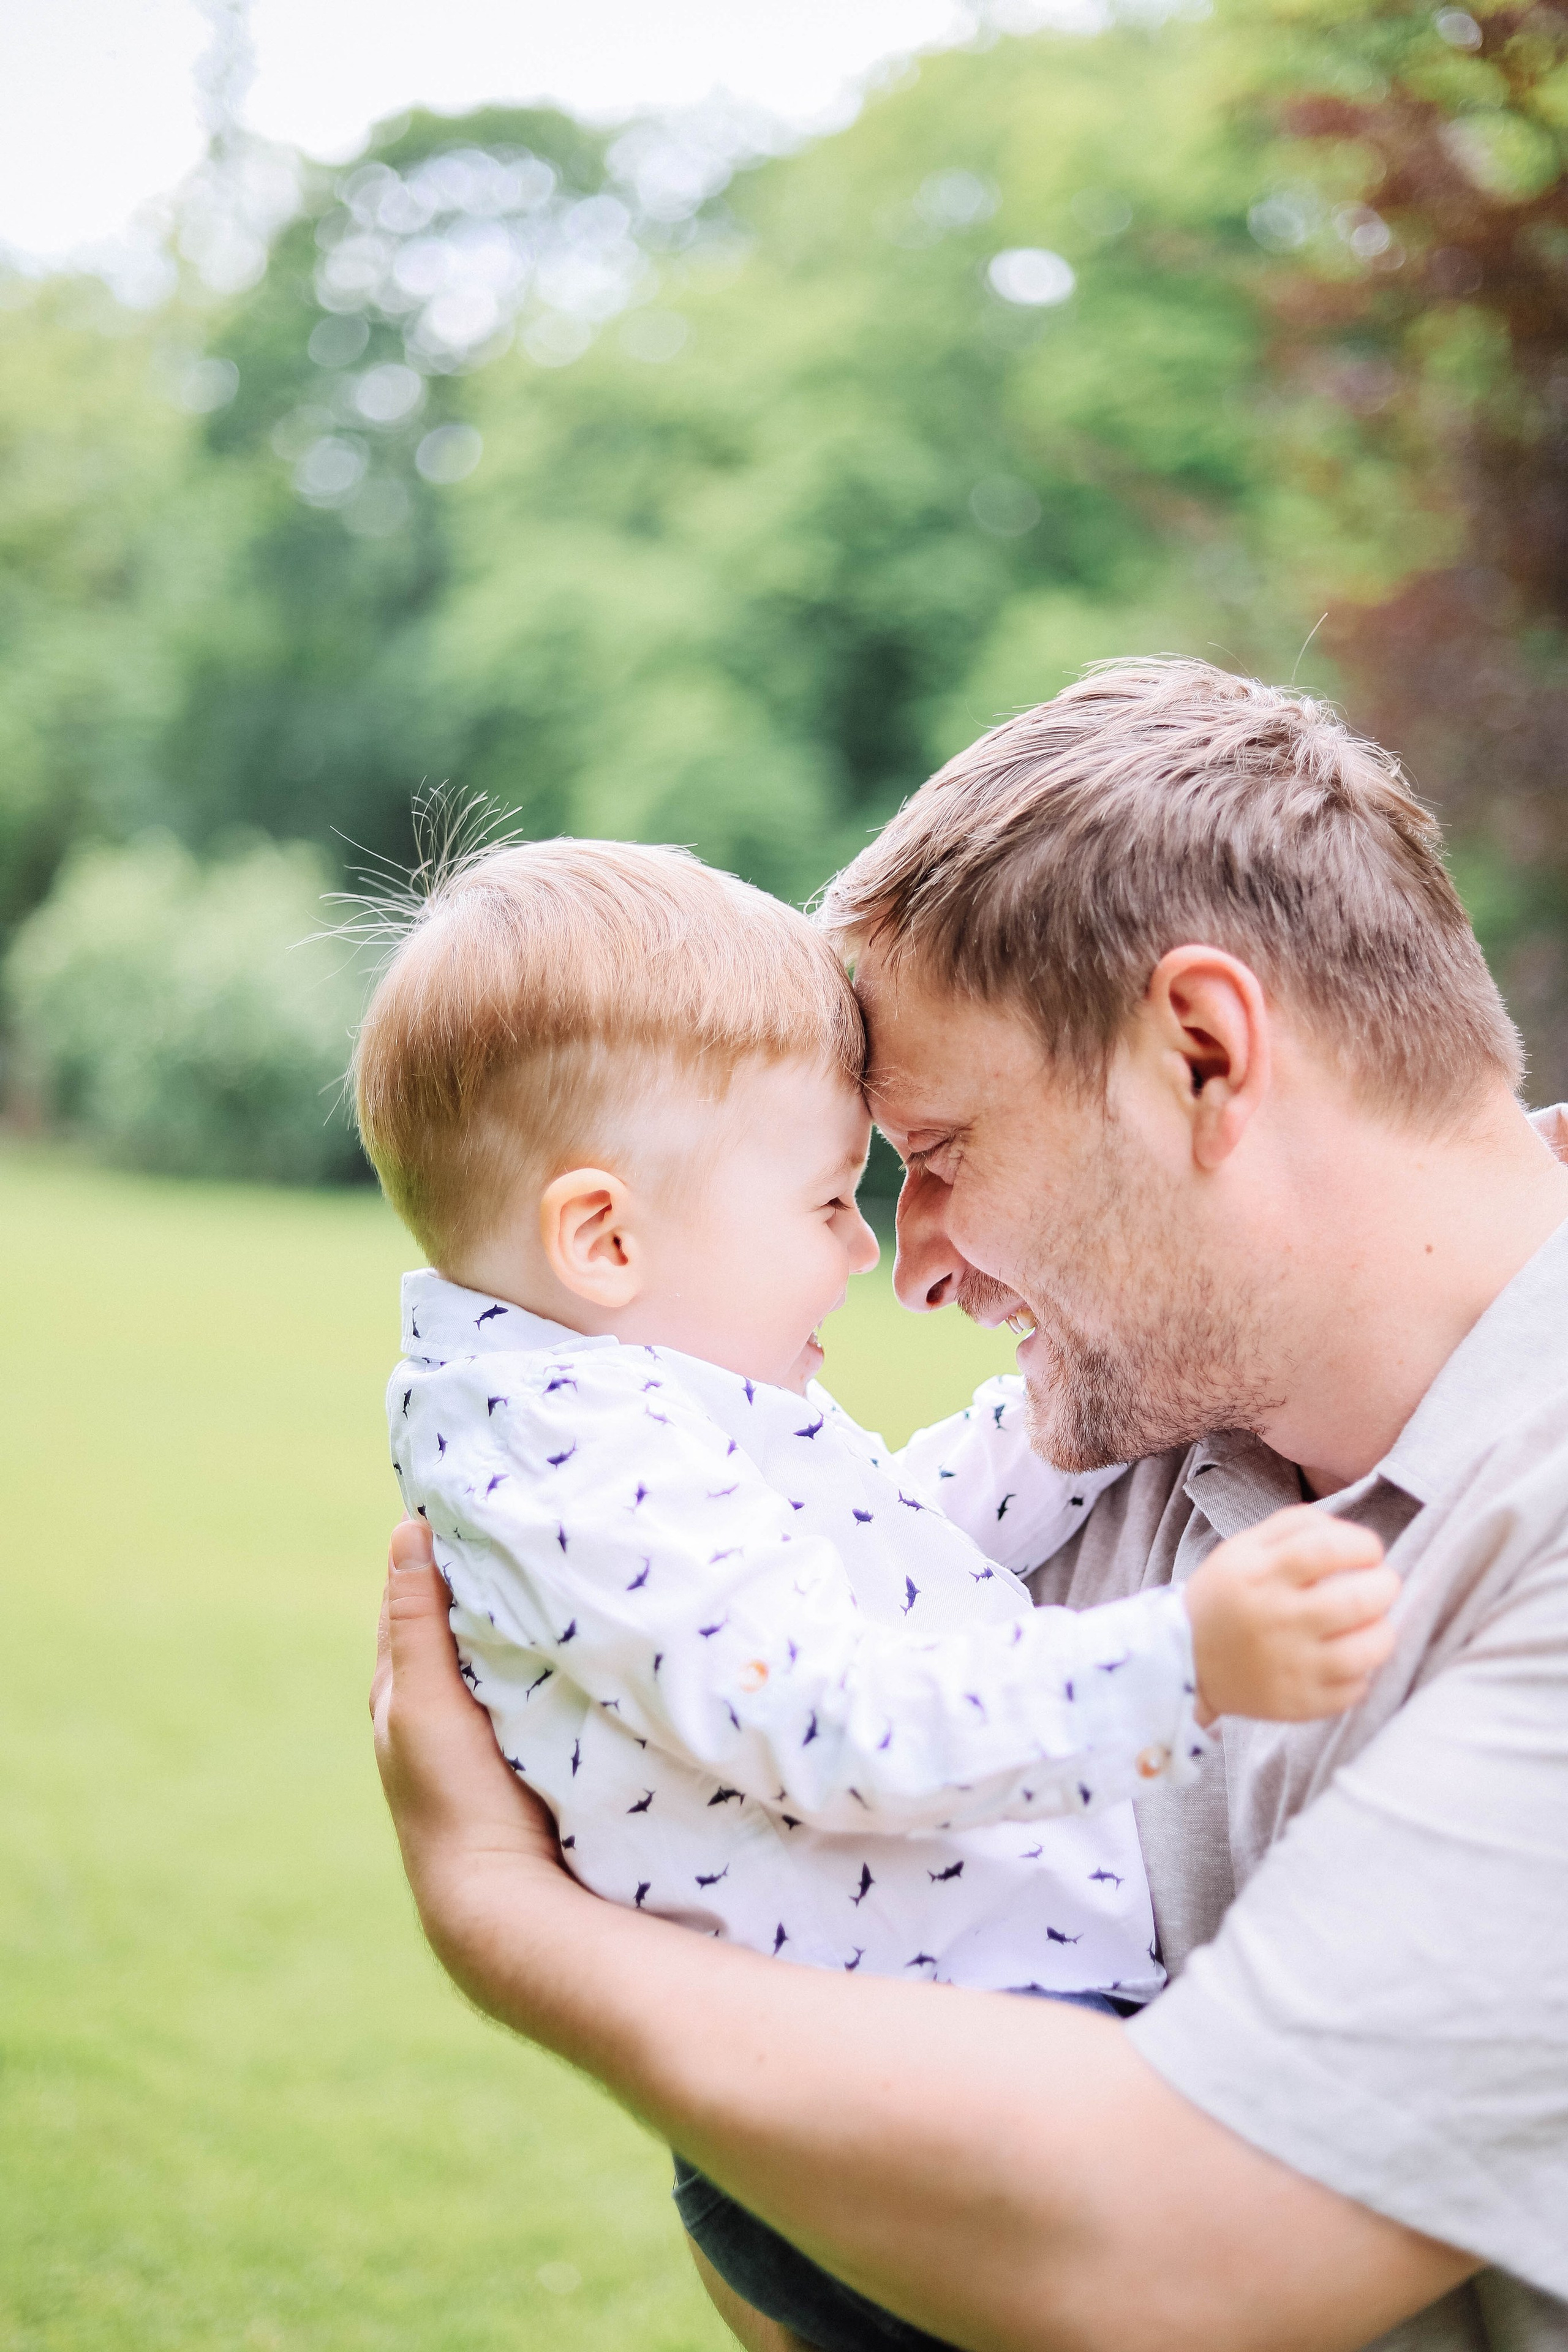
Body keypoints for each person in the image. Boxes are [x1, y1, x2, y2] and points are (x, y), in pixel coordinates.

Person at [371, 662, 1568, 2352]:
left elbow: (1175, 2260)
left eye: (935, 1151)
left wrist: (506, 1921)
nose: (910, 1266)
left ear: (1203, 1056)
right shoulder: (1141, 1418)